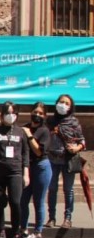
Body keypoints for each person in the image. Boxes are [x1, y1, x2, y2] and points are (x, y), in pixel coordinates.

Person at [0, 102, 30, 238]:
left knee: (15, 202)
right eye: (7, 112)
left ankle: (16, 234)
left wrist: (26, 173)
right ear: (2, 114)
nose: (10, 115)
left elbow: (25, 153)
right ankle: (0, 232)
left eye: (13, 113)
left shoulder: (21, 132)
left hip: (16, 171)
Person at [46, 93, 86, 230]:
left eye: (66, 103)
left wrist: (77, 147)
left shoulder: (73, 122)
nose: (63, 105)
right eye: (61, 102)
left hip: (67, 160)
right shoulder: (50, 121)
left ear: (70, 107)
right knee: (52, 189)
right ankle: (51, 218)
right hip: (52, 159)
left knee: (68, 190)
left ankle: (67, 218)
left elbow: (82, 141)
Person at [20, 102, 51, 238]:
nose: (37, 115)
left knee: (38, 201)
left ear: (44, 116)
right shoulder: (25, 127)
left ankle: (38, 232)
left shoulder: (44, 131)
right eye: (35, 112)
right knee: (23, 200)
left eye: (40, 113)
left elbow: (38, 151)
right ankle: (23, 230)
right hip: (26, 167)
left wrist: (30, 136)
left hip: (41, 167)